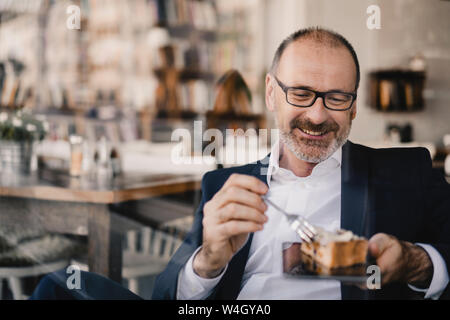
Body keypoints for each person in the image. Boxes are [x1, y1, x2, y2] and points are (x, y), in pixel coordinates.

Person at [152, 27, 450, 300]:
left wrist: (414, 262)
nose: (317, 116)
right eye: (301, 94)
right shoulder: (222, 187)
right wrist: (208, 262)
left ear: (354, 106)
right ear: (271, 93)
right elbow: (167, 294)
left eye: (336, 98)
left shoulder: (408, 172)